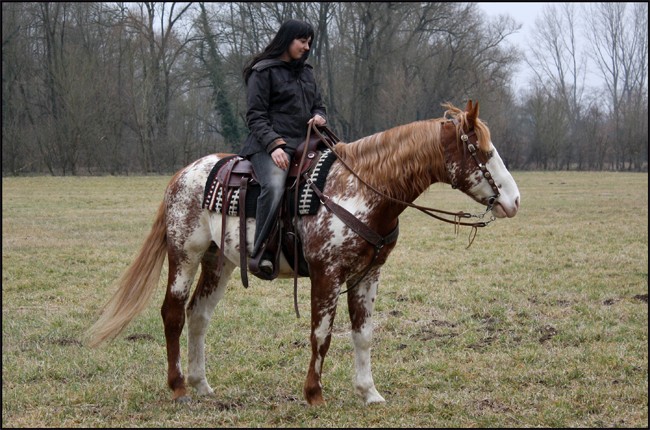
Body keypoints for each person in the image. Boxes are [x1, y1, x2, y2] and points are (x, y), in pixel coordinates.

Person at [239, 19, 327, 276]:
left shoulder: (307, 72)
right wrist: (274, 145)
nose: (306, 47)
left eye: (309, 42)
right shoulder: (262, 71)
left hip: (306, 143)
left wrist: (320, 117)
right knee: (275, 185)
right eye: (302, 41)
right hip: (268, 145)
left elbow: (318, 105)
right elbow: (255, 116)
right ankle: (262, 250)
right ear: (286, 40)